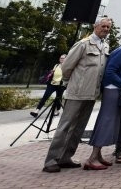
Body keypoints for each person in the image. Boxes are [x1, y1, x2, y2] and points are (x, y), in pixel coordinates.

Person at [42, 16, 112, 173]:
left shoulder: (105, 46)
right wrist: (71, 84)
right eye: (103, 26)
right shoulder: (83, 44)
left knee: (79, 128)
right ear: (96, 26)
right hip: (76, 93)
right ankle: (51, 160)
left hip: (91, 93)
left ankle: (66, 157)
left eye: (108, 27)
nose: (106, 29)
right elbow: (66, 67)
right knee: (64, 127)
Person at [84, 31, 121, 170]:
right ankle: (92, 158)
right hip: (112, 90)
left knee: (109, 122)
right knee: (106, 122)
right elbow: (110, 72)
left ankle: (98, 156)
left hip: (116, 90)